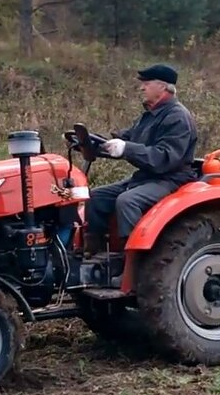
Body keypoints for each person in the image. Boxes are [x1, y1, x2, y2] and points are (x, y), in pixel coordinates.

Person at [84, 63, 198, 256]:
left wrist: (126, 149)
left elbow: (164, 158)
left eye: (147, 83)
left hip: (170, 180)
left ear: (162, 87)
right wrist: (92, 143)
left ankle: (133, 263)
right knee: (95, 197)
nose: (142, 87)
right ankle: (95, 253)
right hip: (145, 178)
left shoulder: (178, 117)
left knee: (128, 201)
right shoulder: (150, 115)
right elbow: (125, 138)